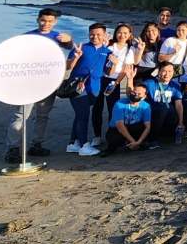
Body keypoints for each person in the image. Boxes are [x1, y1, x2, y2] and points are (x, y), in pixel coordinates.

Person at [5, 8, 74, 163]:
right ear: (38, 19)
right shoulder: (27, 37)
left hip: (48, 83)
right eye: (43, 20)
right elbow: (12, 57)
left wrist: (69, 39)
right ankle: (13, 148)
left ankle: (36, 144)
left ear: (55, 22)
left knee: (42, 116)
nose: (46, 24)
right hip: (27, 83)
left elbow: (72, 48)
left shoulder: (58, 37)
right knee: (21, 116)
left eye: (50, 21)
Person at [65, 23, 111, 156]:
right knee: (83, 115)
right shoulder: (81, 48)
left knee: (80, 115)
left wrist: (112, 62)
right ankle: (84, 145)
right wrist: (76, 57)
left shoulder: (107, 51)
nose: (94, 36)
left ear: (104, 35)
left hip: (95, 88)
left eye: (98, 34)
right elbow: (68, 67)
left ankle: (73, 143)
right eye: (92, 34)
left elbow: (108, 71)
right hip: (78, 87)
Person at [92, 23, 139, 147]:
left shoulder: (130, 49)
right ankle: (97, 136)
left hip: (116, 81)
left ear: (129, 35)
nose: (122, 35)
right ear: (115, 33)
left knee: (113, 109)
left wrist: (116, 83)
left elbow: (125, 68)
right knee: (97, 107)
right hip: (102, 79)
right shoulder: (109, 46)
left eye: (125, 33)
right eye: (119, 32)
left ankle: (111, 135)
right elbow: (105, 67)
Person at [101, 80, 152, 156]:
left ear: (144, 96)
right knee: (114, 138)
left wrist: (139, 141)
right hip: (117, 129)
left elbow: (148, 126)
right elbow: (120, 126)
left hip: (133, 127)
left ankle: (136, 144)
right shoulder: (119, 103)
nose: (135, 94)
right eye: (134, 92)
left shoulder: (146, 106)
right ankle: (116, 147)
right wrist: (133, 141)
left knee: (141, 128)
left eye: (139, 94)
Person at [142, 61, 185, 147]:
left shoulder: (175, 85)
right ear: (159, 71)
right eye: (164, 71)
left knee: (172, 110)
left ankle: (166, 134)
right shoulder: (149, 83)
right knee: (162, 107)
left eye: (170, 71)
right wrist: (130, 79)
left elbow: (179, 105)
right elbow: (136, 93)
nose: (167, 74)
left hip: (166, 118)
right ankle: (152, 140)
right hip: (152, 115)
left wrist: (180, 122)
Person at [159, 21, 187, 87]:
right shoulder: (170, 40)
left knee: (179, 95)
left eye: (183, 30)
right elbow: (160, 58)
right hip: (168, 74)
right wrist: (173, 53)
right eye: (178, 30)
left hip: (184, 75)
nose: (180, 32)